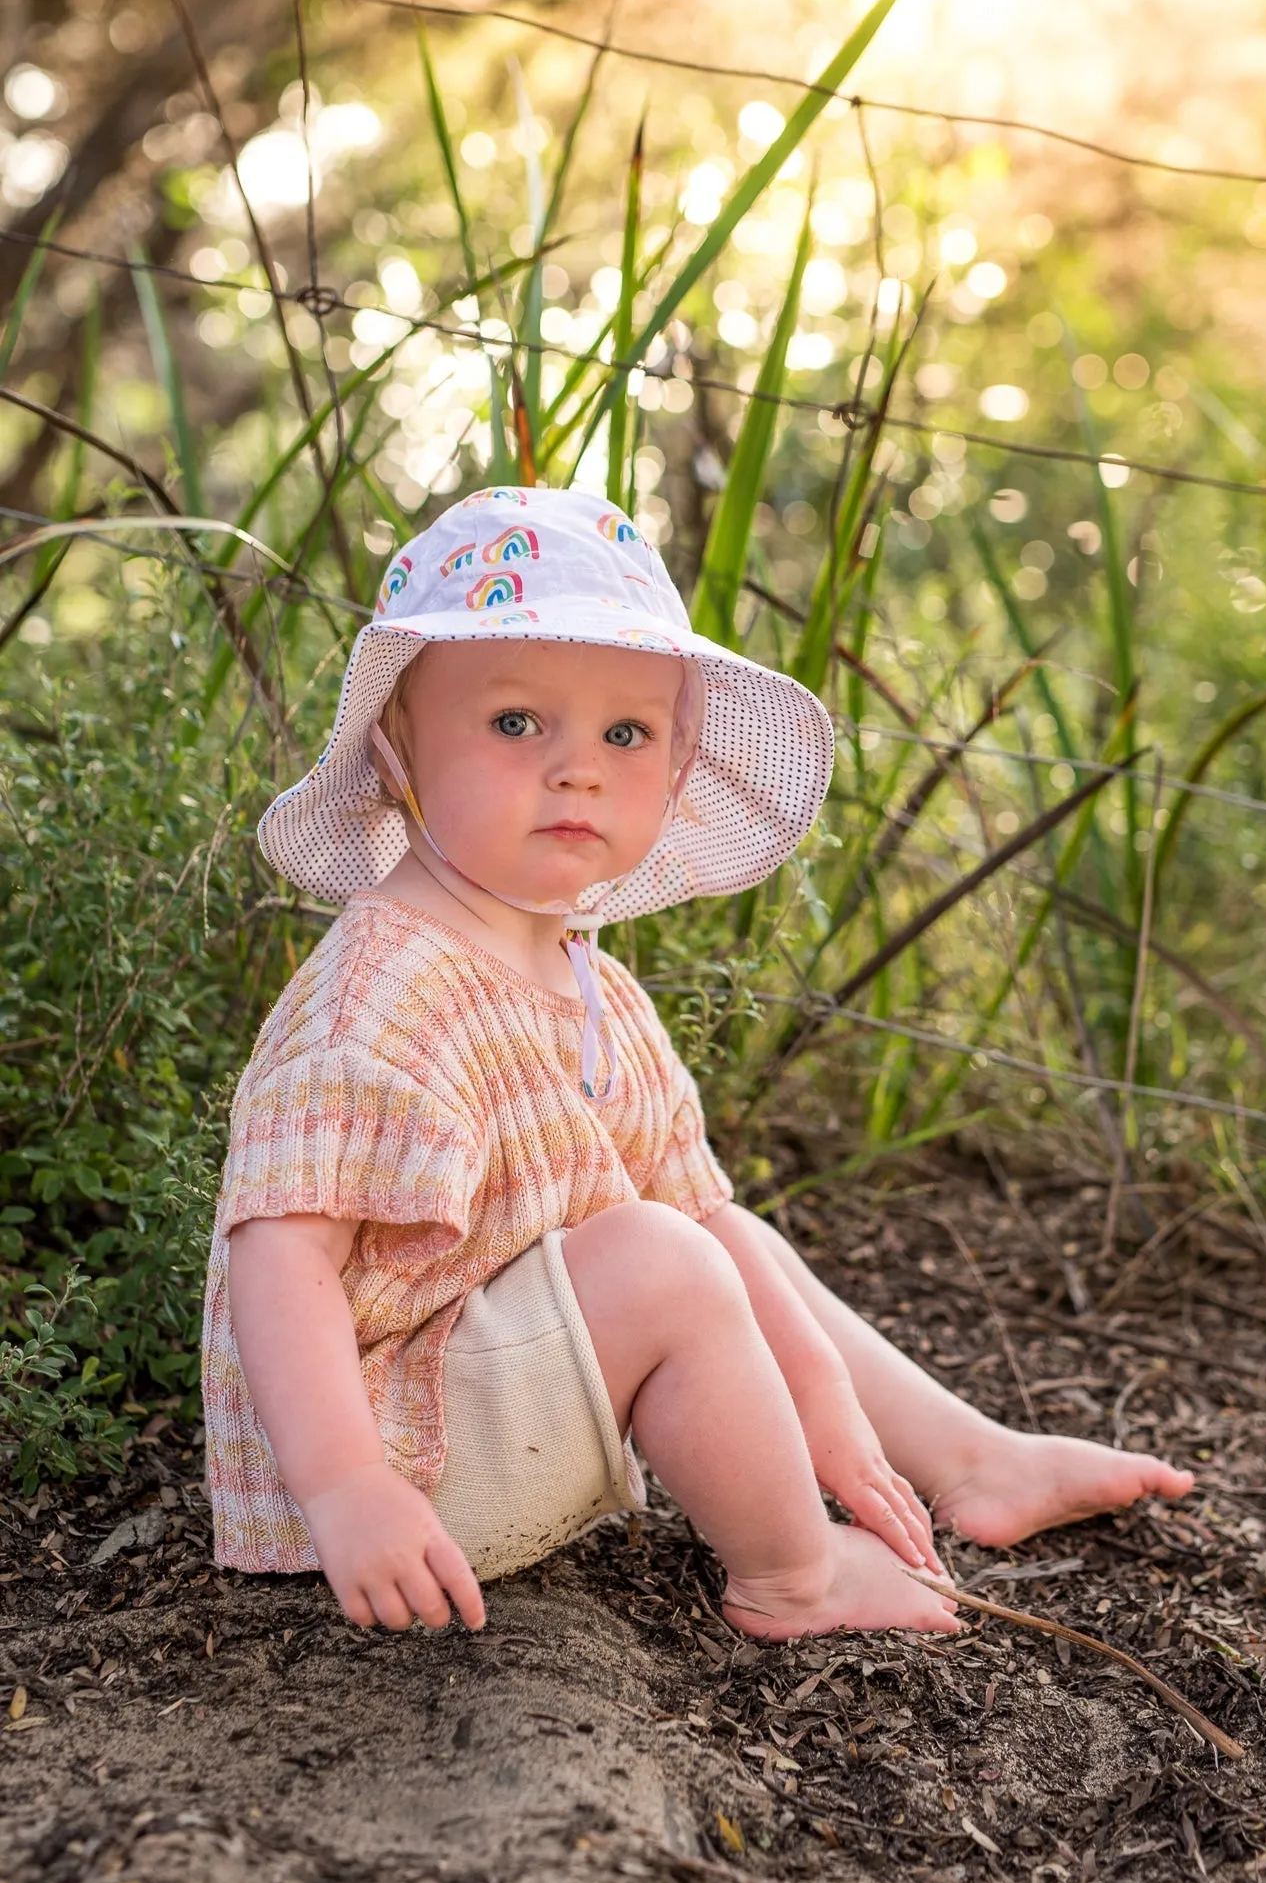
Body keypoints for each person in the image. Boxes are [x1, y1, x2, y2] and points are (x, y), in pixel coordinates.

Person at [202, 487, 1191, 1643]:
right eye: (517, 721)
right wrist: (344, 1487)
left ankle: (966, 1455)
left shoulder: (592, 985)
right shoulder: (383, 990)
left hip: (489, 1416)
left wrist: (830, 1418)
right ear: (396, 749)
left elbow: (712, 1236)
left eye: (626, 734)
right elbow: (281, 1257)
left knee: (714, 1228)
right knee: (660, 1254)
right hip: (393, 1469)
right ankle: (795, 1573)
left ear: (673, 779)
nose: (578, 769)